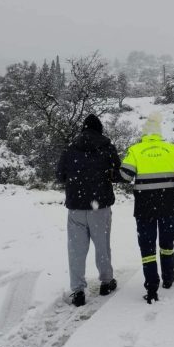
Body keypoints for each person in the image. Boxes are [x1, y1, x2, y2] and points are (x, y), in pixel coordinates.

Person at [120, 113, 174, 303]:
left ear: (144, 134)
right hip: (168, 205)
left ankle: (152, 284)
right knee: (167, 244)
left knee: (147, 246)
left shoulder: (136, 150)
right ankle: (168, 278)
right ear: (159, 134)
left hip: (144, 207)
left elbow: (125, 175)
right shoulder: (172, 149)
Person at [56, 114, 121, 307]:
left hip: (76, 207)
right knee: (102, 246)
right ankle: (106, 282)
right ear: (100, 129)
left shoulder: (70, 149)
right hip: (99, 207)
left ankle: (78, 290)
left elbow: (60, 175)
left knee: (76, 250)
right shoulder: (107, 147)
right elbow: (118, 174)